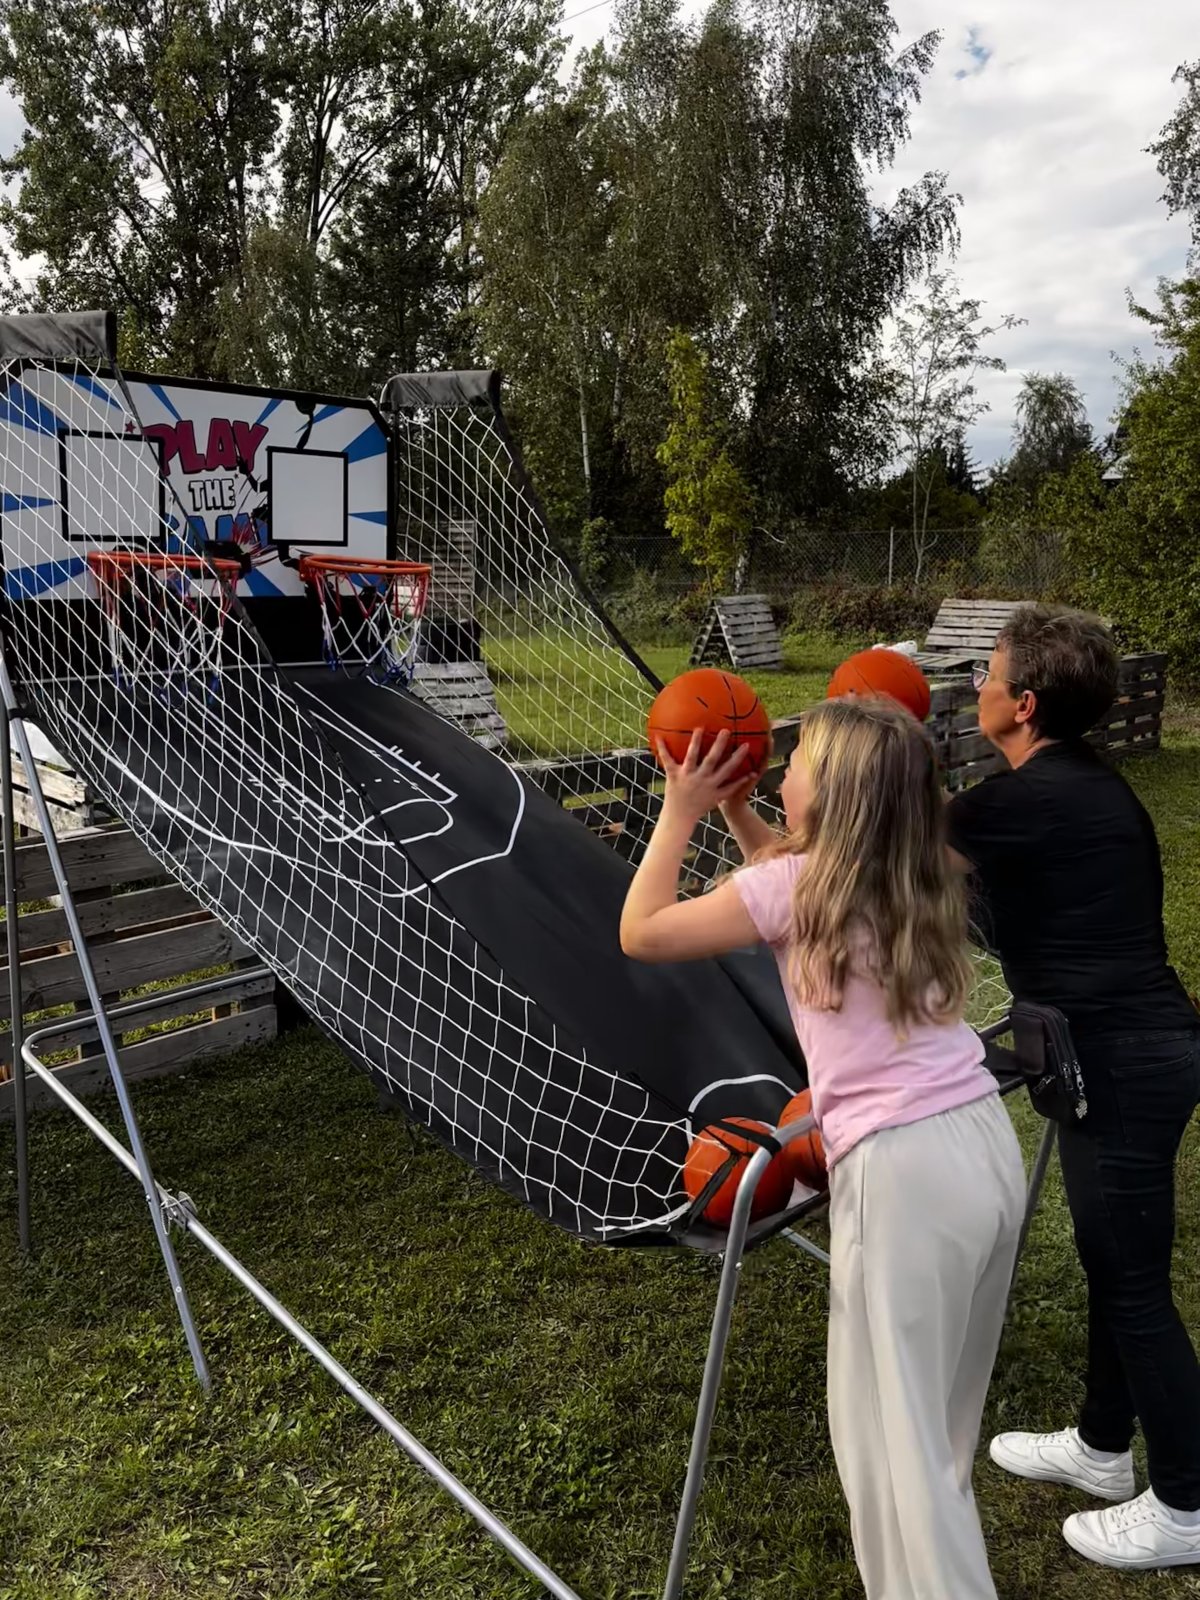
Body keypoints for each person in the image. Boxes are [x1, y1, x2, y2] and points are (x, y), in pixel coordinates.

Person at [621, 697, 1024, 1600]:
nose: (782, 771)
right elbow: (785, 867)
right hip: (980, 1141)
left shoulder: (798, 888)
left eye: (798, 761)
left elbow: (642, 931)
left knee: (891, 1442)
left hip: (904, 1171)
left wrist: (680, 810)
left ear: (831, 793)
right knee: (938, 1431)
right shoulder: (909, 866)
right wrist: (735, 811)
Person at [945, 603, 1200, 1570]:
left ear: (1025, 703)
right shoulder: (1078, 784)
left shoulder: (1026, 799)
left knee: (1133, 1284)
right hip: (1135, 1051)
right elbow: (990, 907)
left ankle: (1186, 1505)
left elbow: (876, 853)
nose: (978, 685)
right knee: (1114, 1262)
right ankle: (1101, 1447)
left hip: (1125, 1063)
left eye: (989, 672)